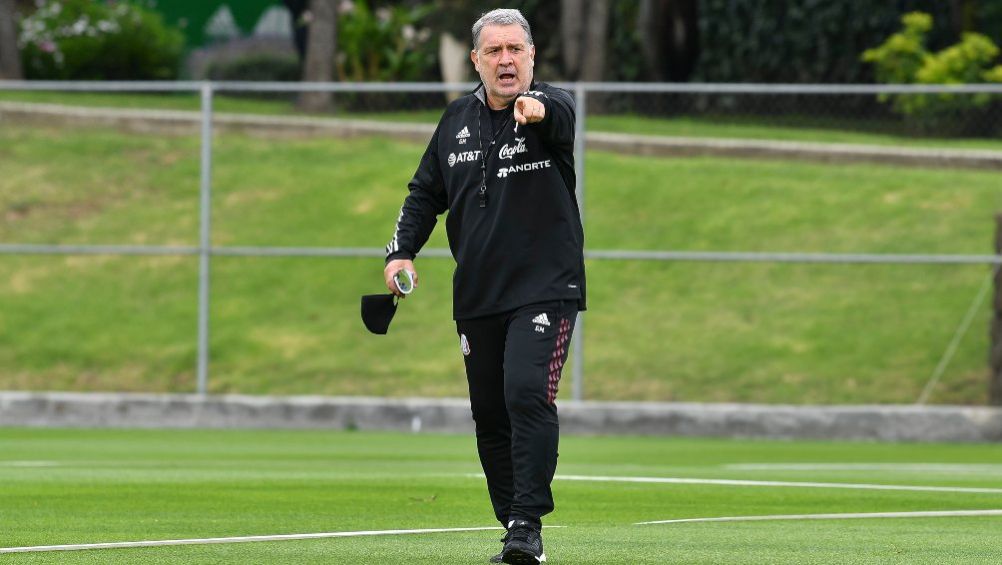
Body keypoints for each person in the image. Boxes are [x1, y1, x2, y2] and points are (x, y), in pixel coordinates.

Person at [382, 8, 585, 564]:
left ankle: (527, 524)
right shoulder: (454, 122)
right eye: (494, 51)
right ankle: (513, 527)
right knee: (490, 412)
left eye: (515, 50)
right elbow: (424, 194)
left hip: (546, 287)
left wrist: (537, 110)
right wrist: (399, 251)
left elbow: (560, 116)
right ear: (476, 60)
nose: (505, 60)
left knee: (526, 392)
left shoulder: (552, 107)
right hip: (477, 294)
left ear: (531, 56)